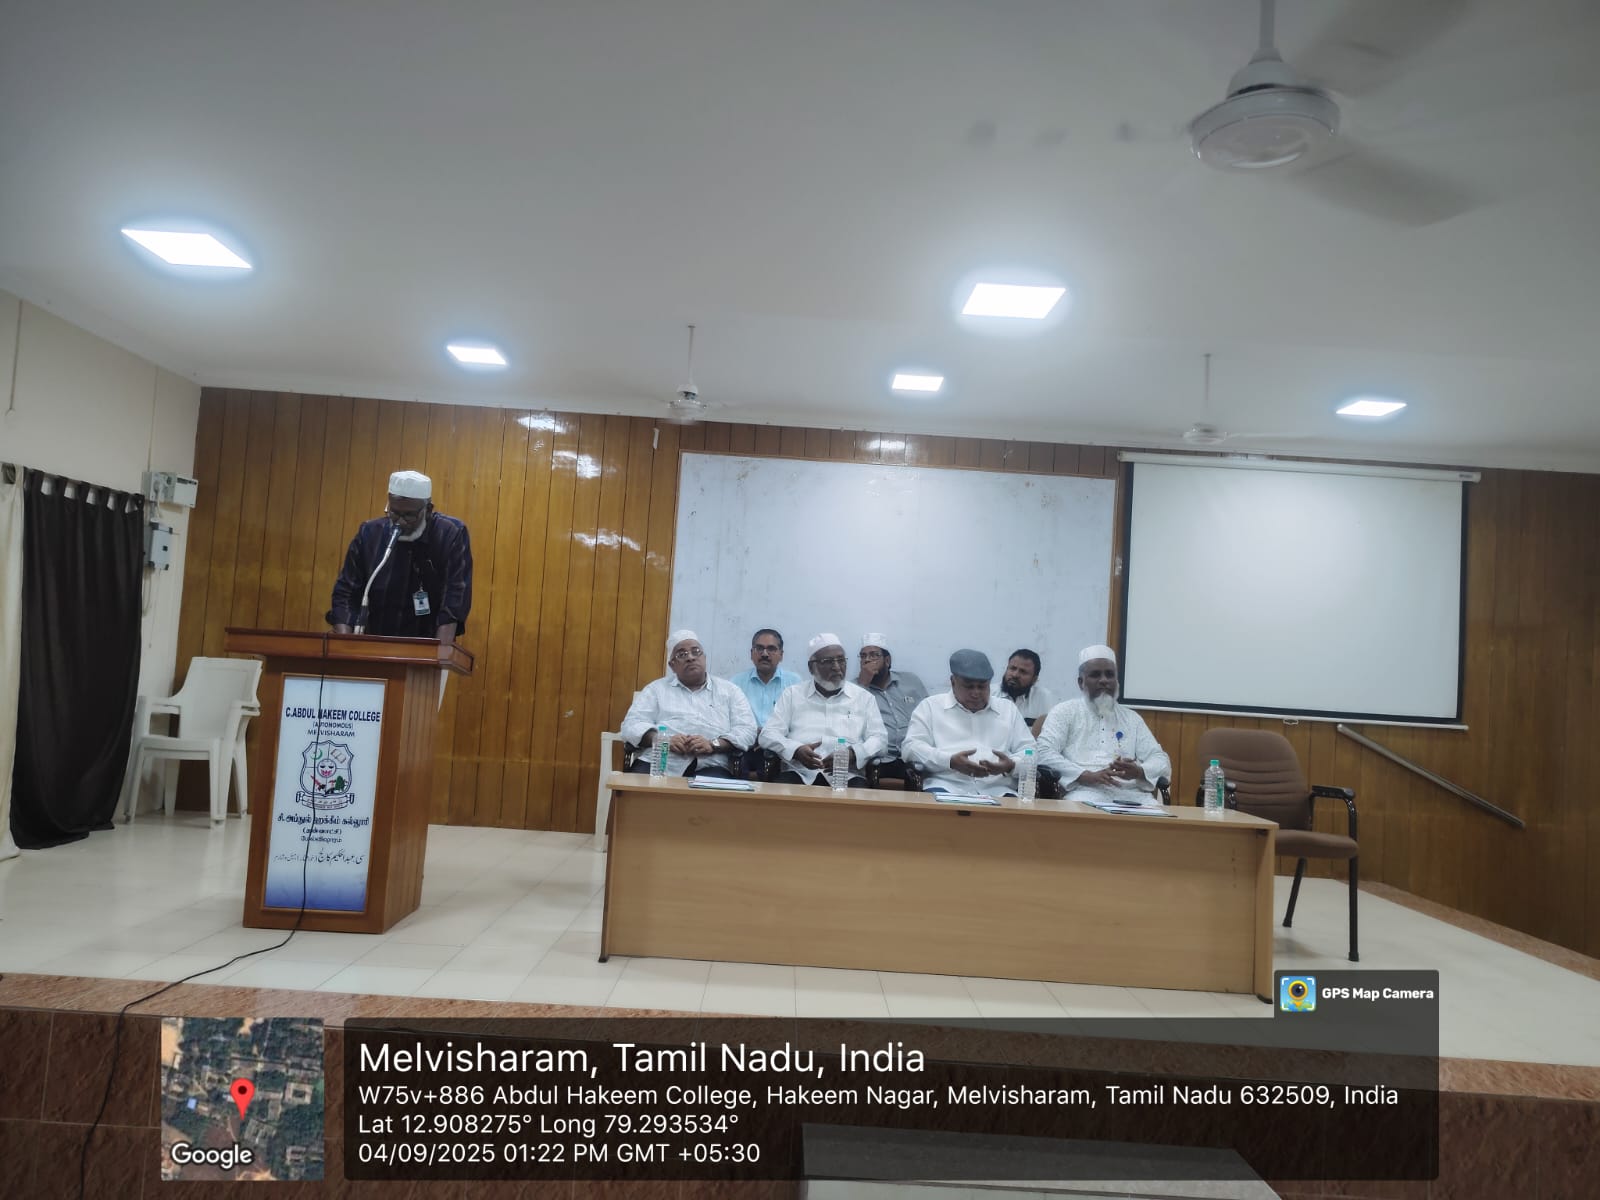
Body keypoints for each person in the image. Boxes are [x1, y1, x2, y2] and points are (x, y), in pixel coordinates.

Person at [328, 470, 472, 644]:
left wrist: (440, 654)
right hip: (373, 644)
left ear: (428, 510)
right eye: (394, 513)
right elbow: (346, 593)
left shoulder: (450, 534)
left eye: (409, 515)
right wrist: (345, 644)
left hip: (424, 646)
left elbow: (454, 600)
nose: (400, 522)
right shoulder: (370, 534)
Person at [1035, 644, 1171, 807]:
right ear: (1081, 682)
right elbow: (1043, 751)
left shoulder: (1132, 718)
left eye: (1109, 674)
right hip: (1083, 793)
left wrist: (1139, 771)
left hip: (1133, 796)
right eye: (1095, 675)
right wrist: (1084, 775)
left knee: (1158, 819)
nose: (1104, 680)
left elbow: (1159, 758)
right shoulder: (1064, 712)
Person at [619, 630, 756, 778]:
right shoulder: (655, 689)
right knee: (635, 788)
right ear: (672, 665)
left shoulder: (730, 691)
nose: (690, 657)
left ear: (704, 658)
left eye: (696, 652)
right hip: (659, 762)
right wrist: (664, 741)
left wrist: (713, 744)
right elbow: (631, 725)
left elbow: (747, 730)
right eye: (682, 654)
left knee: (715, 790)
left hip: (710, 764)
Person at [901, 649, 1036, 796]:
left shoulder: (1008, 710)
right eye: (969, 686)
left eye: (982, 686)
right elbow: (911, 748)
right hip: (946, 788)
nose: (976, 693)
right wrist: (949, 761)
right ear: (953, 682)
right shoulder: (930, 707)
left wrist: (1011, 765)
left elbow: (1030, 751)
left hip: (999, 792)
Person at [759, 634, 886, 787]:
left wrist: (854, 753)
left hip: (847, 776)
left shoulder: (864, 698)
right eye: (828, 661)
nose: (837, 667)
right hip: (799, 773)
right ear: (811, 667)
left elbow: (880, 739)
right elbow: (768, 734)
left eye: (841, 660)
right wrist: (795, 750)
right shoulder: (792, 695)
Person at [856, 632, 928, 782]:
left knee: (919, 775)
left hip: (913, 755)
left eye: (874, 655)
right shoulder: (854, 689)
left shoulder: (911, 681)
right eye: (863, 656)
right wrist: (863, 685)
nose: (867, 660)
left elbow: (929, 715)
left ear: (887, 660)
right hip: (878, 758)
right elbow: (853, 724)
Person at [731, 628, 802, 775]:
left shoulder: (794, 683)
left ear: (781, 655)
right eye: (759, 648)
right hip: (747, 746)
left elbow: (799, 721)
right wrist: (752, 733)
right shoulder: (736, 683)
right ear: (751, 653)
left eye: (771, 649)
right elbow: (730, 720)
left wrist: (768, 736)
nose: (764, 654)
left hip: (780, 748)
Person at [1000, 648, 1058, 735]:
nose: (1015, 675)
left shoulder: (1044, 699)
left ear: (1034, 679)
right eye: (1012, 668)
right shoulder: (989, 694)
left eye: (1023, 672)